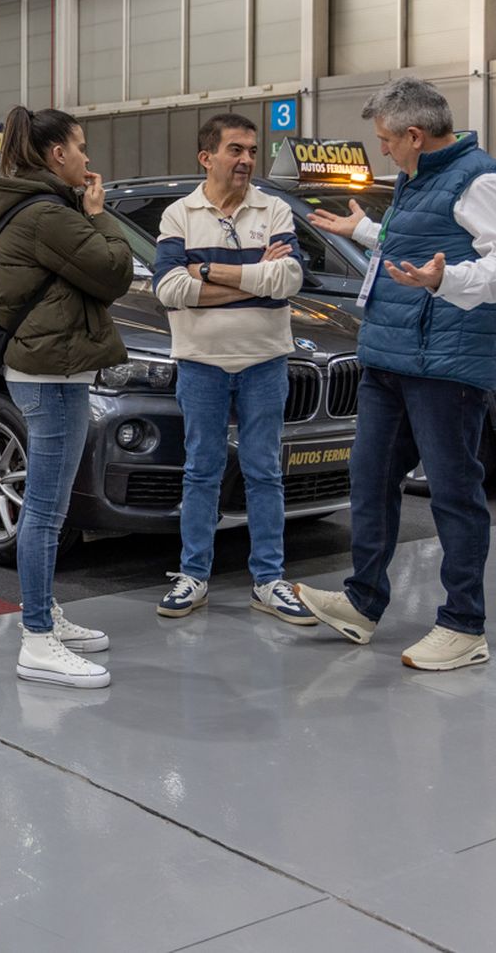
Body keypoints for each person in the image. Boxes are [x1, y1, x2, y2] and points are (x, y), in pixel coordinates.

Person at [297, 77, 496, 670]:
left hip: (445, 367)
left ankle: (463, 625)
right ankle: (362, 601)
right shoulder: (417, 178)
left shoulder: (482, 180)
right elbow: (420, 249)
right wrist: (366, 232)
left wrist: (446, 280)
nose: (381, 151)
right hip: (391, 359)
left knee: (454, 493)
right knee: (370, 476)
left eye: (384, 140)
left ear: (414, 134)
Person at [0, 106, 136, 689]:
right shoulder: (46, 215)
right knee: (44, 509)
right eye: (82, 147)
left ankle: (45, 615)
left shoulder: (35, 207)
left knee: (51, 505)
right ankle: (38, 638)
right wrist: (99, 216)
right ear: (55, 156)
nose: (89, 159)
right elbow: (115, 271)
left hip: (49, 369)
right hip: (51, 375)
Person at [151, 113, 314, 625]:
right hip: (202, 364)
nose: (246, 160)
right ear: (207, 157)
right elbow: (168, 289)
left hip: (265, 360)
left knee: (265, 471)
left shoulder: (275, 208)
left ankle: (268, 580)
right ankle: (193, 576)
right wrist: (253, 278)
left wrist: (205, 271)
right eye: (235, 150)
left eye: (251, 150)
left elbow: (288, 279)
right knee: (202, 470)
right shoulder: (180, 214)